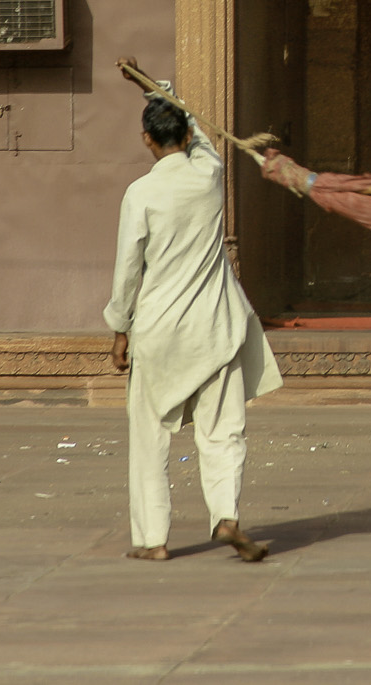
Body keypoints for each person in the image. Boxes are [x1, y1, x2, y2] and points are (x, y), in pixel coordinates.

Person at [106, 59, 282, 562]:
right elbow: (201, 133)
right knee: (222, 430)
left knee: (150, 437)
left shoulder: (140, 193)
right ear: (186, 135)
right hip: (216, 327)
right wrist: (154, 87)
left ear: (147, 141)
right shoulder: (208, 173)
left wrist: (120, 330)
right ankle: (225, 515)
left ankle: (153, 540)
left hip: (159, 330)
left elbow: (127, 271)